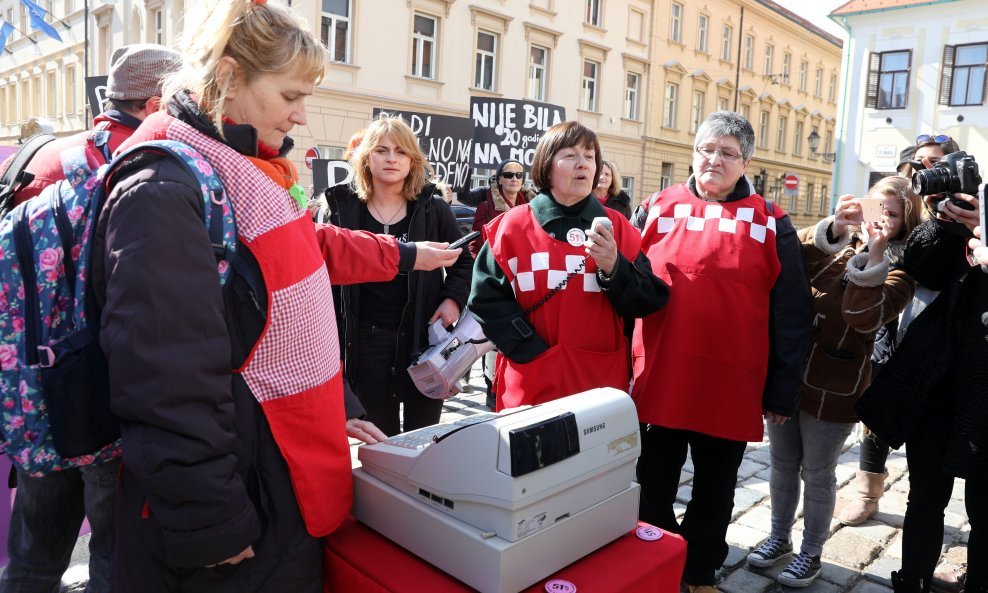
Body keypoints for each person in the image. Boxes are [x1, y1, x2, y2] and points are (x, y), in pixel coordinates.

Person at [89, 2, 460, 591]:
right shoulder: (163, 190)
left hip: (276, 471)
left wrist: (340, 400)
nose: (303, 118)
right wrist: (214, 527)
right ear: (232, 77)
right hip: (241, 503)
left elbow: (297, 270)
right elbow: (165, 382)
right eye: (291, 96)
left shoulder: (238, 167)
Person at [0, 43, 182, 593]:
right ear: (154, 103)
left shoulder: (39, 158)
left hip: (30, 392)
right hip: (101, 396)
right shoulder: (145, 166)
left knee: (32, 558)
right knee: (112, 557)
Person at [630, 111, 812, 593]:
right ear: (694, 152)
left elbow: (791, 310)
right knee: (653, 480)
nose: (714, 159)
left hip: (731, 383)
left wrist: (781, 390)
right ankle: (656, 565)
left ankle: (701, 569)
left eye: (727, 152)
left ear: (746, 161)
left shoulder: (772, 220)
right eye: (706, 149)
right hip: (662, 375)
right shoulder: (655, 207)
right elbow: (624, 290)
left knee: (716, 486)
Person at [746, 176, 919, 587]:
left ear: (905, 224)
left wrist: (875, 254)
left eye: (892, 214)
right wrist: (837, 227)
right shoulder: (837, 247)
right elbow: (788, 258)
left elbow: (864, 318)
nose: (881, 219)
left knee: (817, 474)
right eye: (876, 207)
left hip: (835, 389)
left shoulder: (901, 271)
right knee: (783, 465)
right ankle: (778, 538)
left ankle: (811, 553)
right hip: (789, 378)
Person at [468, 121, 668, 410]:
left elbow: (649, 300)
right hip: (532, 382)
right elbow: (484, 300)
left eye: (589, 156)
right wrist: (532, 352)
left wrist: (615, 267)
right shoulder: (512, 227)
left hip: (600, 387)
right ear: (547, 166)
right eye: (571, 155)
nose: (583, 164)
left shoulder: (620, 229)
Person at [855, 173, 984, 593]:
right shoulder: (952, 222)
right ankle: (913, 580)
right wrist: (948, 221)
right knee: (926, 495)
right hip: (935, 383)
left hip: (984, 388)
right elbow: (918, 264)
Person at [326, 114, 473, 437]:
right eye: (381, 150)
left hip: (423, 341)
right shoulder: (342, 209)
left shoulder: (433, 209)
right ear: (366, 158)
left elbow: (463, 263)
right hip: (365, 344)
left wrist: (452, 300)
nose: (391, 158)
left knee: (424, 441)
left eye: (401, 151)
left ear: (412, 160)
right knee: (380, 443)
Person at [840, 134, 960, 528]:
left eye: (936, 163)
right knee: (875, 414)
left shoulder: (947, 218)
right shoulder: (890, 203)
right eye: (919, 162)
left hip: (927, 334)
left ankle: (919, 491)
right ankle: (866, 491)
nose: (925, 170)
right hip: (881, 335)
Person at [467, 159, 534, 257]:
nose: (514, 179)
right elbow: (476, 246)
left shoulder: (532, 207)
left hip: (525, 264)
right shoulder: (485, 207)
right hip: (497, 264)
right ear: (499, 179)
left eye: (519, 175)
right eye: (508, 175)